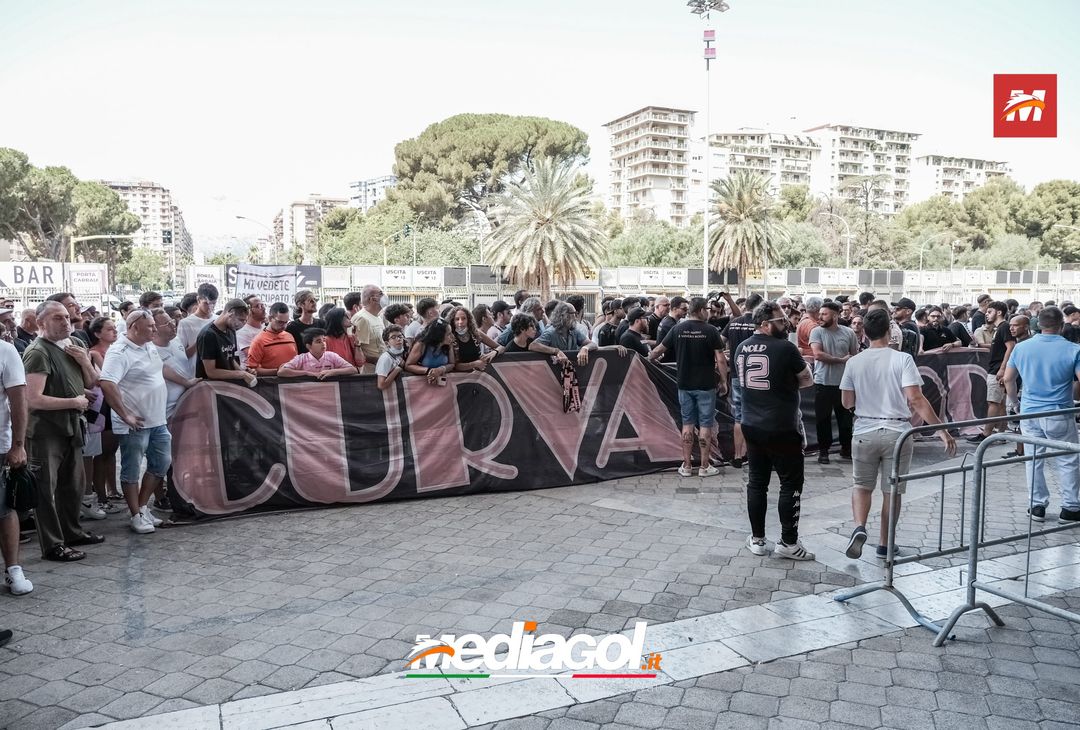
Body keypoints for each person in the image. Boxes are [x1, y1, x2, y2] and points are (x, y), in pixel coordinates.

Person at [840, 309, 956, 560]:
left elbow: (847, 401)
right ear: (888, 331)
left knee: (861, 485)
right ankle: (885, 544)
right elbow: (916, 399)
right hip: (897, 432)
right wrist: (942, 430)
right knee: (892, 491)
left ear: (865, 332)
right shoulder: (902, 359)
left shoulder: (854, 362)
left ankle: (859, 527)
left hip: (864, 429)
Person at [733, 301, 815, 560]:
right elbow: (807, 379)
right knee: (790, 483)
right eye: (781, 321)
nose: (786, 324)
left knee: (757, 482)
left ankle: (757, 539)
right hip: (782, 426)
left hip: (751, 423)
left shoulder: (742, 347)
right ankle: (788, 542)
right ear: (765, 324)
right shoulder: (785, 348)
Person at [24, 301, 103, 561]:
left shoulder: (76, 344)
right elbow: (33, 399)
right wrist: (74, 402)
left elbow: (92, 381)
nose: (66, 322)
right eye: (57, 318)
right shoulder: (38, 352)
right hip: (46, 430)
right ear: (41, 323)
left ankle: (72, 532)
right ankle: (53, 544)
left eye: (67, 317)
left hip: (72, 426)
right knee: (46, 489)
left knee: (73, 485)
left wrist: (84, 362)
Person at [1004, 306, 1080, 523]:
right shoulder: (1073, 349)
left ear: (1038, 324)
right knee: (1067, 459)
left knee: (1034, 459)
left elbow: (1008, 379)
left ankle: (1037, 506)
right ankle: (1070, 508)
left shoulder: (1021, 348)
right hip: (1059, 411)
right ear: (1062, 325)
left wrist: (1015, 404)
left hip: (1029, 413)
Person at [99, 309, 171, 535]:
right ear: (134, 327)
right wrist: (125, 415)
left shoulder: (148, 345)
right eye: (150, 326)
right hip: (135, 424)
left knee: (161, 463)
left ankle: (141, 508)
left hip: (157, 419)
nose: (154, 329)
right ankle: (135, 515)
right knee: (131, 469)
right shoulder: (119, 352)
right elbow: (107, 383)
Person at [648, 298, 727, 478]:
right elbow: (721, 359)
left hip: (684, 384)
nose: (709, 312)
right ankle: (704, 466)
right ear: (700, 310)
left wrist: (647, 360)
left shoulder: (678, 329)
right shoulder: (710, 330)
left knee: (687, 424)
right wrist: (723, 381)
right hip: (706, 385)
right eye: (707, 309)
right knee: (705, 424)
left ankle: (687, 465)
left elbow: (658, 350)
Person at [0, 327, 32, 595]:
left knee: (4, 508)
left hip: (0, 445)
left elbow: (19, 400)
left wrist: (18, 445)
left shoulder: (5, 351)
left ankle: (13, 569)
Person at [810, 301, 858, 463]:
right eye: (820, 314)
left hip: (844, 384)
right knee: (822, 419)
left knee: (845, 419)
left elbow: (854, 356)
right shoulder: (816, 332)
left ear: (835, 315)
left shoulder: (848, 333)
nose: (820, 317)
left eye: (824, 314)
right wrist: (841, 360)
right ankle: (823, 451)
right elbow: (818, 354)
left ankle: (846, 448)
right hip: (822, 383)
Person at [152, 308, 198, 420]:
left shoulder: (176, 340)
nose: (173, 325)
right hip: (167, 412)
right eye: (167, 324)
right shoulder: (150, 351)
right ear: (154, 329)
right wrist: (186, 382)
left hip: (187, 403)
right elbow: (163, 369)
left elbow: (182, 358)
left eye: (172, 321)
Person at [196, 299, 256, 386]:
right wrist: (241, 374)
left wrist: (245, 373)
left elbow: (231, 359)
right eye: (241, 320)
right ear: (230, 313)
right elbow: (211, 372)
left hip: (228, 386)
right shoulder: (208, 335)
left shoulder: (231, 330)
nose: (242, 324)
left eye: (245, 321)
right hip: (211, 387)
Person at [278, 329, 361, 379]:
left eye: (324, 340)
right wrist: (307, 373)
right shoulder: (301, 358)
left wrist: (333, 372)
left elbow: (353, 370)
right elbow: (281, 372)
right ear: (308, 346)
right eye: (318, 341)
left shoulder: (332, 356)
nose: (323, 344)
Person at [246, 302, 299, 376]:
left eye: (286, 322)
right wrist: (277, 371)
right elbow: (252, 369)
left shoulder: (289, 336)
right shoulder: (259, 340)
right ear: (270, 318)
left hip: (294, 380)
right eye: (280, 322)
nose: (284, 326)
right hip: (272, 382)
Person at [448, 306, 504, 371]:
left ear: (468, 320)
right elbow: (455, 366)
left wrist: (494, 352)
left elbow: (501, 347)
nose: (460, 322)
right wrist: (475, 364)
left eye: (464, 318)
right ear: (453, 321)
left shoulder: (476, 333)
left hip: (478, 374)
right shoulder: (450, 337)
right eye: (457, 319)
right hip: (459, 375)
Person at [176, 283, 219, 367]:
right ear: (198, 300)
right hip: (195, 371)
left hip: (217, 369)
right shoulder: (185, 323)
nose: (210, 307)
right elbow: (181, 356)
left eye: (213, 303)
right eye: (206, 303)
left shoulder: (218, 320)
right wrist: (200, 342)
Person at [404, 318, 457, 384]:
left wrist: (441, 369)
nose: (452, 336)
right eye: (449, 334)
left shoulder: (448, 344)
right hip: (423, 383)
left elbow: (452, 364)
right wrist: (429, 371)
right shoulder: (421, 345)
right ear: (439, 336)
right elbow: (408, 365)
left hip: (442, 383)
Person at [351, 285, 386, 368]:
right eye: (381, 294)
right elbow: (356, 348)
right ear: (372, 299)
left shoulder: (377, 316)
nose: (384, 296)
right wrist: (378, 360)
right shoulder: (362, 318)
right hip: (369, 370)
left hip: (381, 367)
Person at [286, 290, 326, 355]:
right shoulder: (292, 327)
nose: (315, 303)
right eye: (311, 301)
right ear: (300, 304)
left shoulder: (322, 323)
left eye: (315, 300)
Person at [235, 294, 266, 367]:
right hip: (251, 371)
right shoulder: (243, 332)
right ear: (249, 311)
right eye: (258, 306)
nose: (263, 308)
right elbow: (253, 356)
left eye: (263, 305)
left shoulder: (265, 329)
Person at [655, 296, 688, 360]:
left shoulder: (667, 320)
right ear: (675, 309)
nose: (686, 312)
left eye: (687, 309)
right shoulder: (670, 324)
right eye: (684, 309)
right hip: (668, 361)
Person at [375, 326, 407, 390]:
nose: (398, 339)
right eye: (393, 337)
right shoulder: (386, 358)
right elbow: (381, 385)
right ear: (387, 343)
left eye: (400, 336)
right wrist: (397, 370)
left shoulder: (404, 353)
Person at [796, 296, 823, 362]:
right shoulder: (811, 325)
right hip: (811, 360)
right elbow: (820, 347)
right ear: (818, 309)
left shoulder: (804, 320)